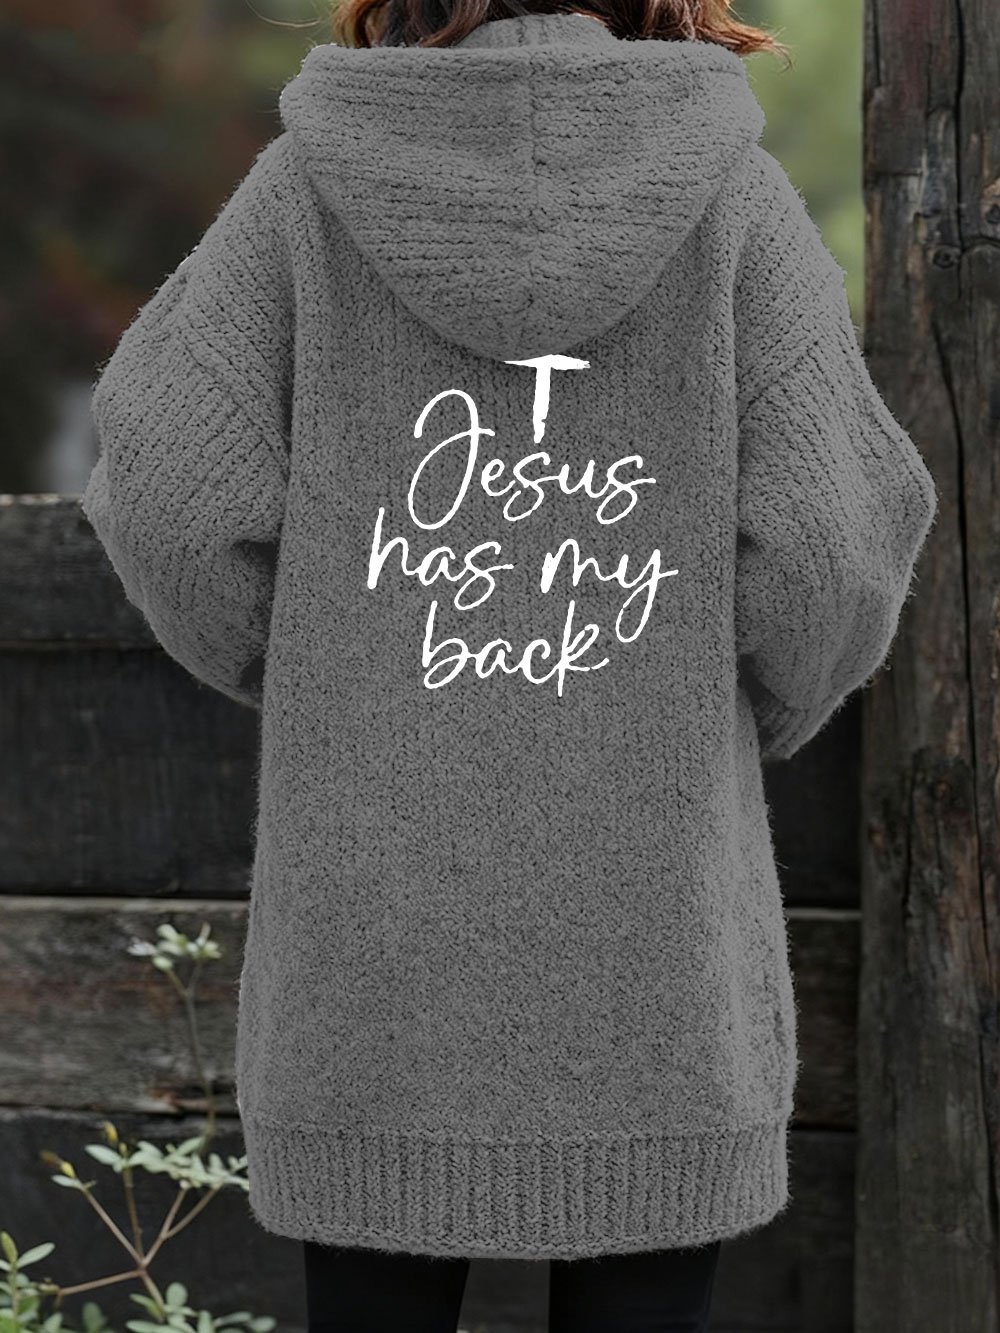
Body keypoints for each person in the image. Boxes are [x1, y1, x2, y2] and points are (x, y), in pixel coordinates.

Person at [79, 0, 939, 1329]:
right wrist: (745, 704)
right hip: (657, 969)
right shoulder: (734, 204)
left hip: (371, 985)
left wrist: (320, 666)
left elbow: (166, 489)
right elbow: (833, 545)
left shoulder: (307, 193)